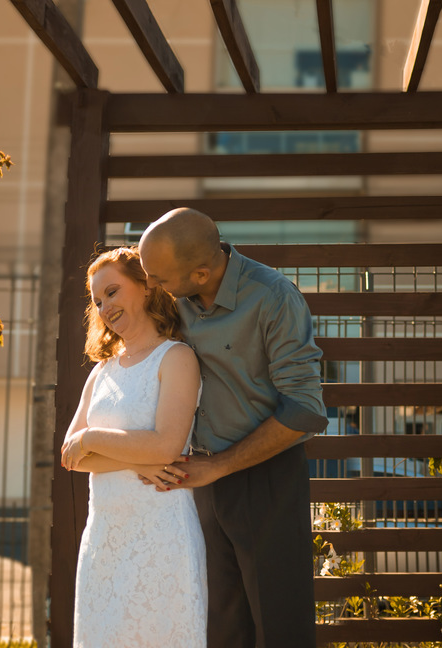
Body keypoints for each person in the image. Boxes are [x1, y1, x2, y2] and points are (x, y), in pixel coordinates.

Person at [136, 208, 328, 648]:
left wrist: (220, 466)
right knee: (219, 629)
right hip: (197, 483)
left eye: (159, 280)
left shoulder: (274, 297)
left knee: (281, 628)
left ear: (201, 273)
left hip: (266, 481)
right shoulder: (173, 295)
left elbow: (305, 408)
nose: (151, 288)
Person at [59, 247, 207, 647]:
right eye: (97, 300)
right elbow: (71, 456)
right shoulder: (101, 372)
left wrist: (93, 439)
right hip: (104, 541)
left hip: (161, 536)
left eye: (112, 291)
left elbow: (165, 444)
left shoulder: (176, 358)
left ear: (145, 287)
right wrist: (137, 460)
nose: (104, 306)